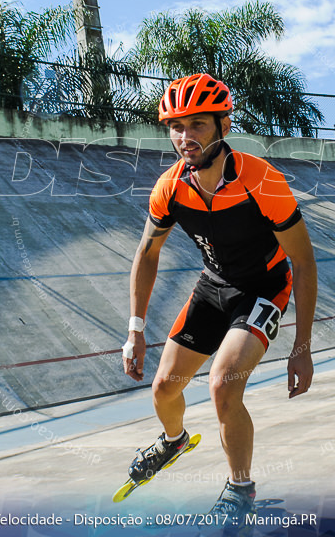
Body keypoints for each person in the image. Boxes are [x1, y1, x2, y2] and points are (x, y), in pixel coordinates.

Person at [121, 74, 316, 521]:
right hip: (213, 286)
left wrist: (301, 348)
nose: (185, 138)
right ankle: (173, 441)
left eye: (198, 125)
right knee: (164, 387)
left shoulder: (261, 179)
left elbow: (303, 263)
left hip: (265, 287)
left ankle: (239, 490)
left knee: (223, 384)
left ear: (222, 126)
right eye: (176, 127)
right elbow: (147, 253)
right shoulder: (170, 187)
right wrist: (135, 329)